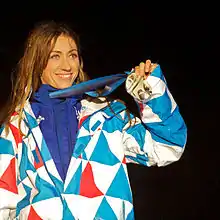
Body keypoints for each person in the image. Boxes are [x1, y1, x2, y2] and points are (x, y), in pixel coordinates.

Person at [0, 20, 187, 220]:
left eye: (72, 55)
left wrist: (150, 92)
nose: (66, 65)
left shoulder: (109, 116)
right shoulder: (16, 128)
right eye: (55, 56)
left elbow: (168, 146)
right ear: (37, 63)